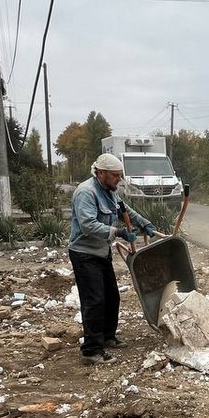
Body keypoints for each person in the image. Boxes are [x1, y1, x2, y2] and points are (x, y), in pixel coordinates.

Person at [68, 153, 166, 364]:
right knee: (94, 300)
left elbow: (125, 210)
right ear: (101, 173)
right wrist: (118, 233)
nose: (119, 180)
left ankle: (108, 337)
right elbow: (88, 225)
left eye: (120, 176)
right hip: (84, 253)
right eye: (115, 176)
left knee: (112, 296)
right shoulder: (86, 192)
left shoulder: (109, 191)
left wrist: (145, 224)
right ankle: (92, 350)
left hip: (101, 252)